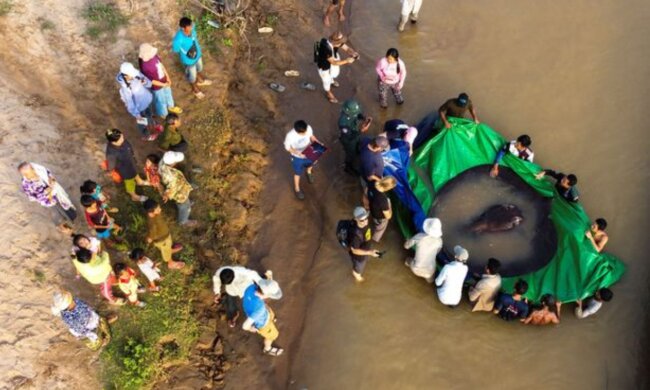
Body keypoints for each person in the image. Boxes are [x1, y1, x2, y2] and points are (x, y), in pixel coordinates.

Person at [18, 162, 76, 228]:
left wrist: (52, 180)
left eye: (32, 169)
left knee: (66, 207)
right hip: (48, 200)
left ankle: (72, 217)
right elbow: (42, 198)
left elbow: (48, 173)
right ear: (25, 175)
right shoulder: (28, 185)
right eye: (27, 174)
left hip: (56, 194)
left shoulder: (38, 169)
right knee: (58, 212)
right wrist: (50, 190)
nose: (34, 172)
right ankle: (65, 223)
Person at [116, 62, 159, 141]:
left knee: (149, 114)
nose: (134, 75)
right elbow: (130, 103)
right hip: (139, 108)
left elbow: (149, 83)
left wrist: (145, 82)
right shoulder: (126, 89)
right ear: (126, 76)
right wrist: (137, 114)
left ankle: (152, 122)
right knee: (142, 122)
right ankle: (146, 135)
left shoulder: (135, 73)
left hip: (147, 99)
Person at [138, 42, 182, 118]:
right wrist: (163, 85)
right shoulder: (145, 67)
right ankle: (163, 113)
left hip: (164, 80)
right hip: (156, 86)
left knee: (168, 94)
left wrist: (168, 78)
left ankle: (170, 106)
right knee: (160, 100)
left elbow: (161, 65)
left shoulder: (154, 56)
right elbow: (151, 81)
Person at [172, 17, 212, 99]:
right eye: (189, 27)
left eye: (191, 25)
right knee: (192, 76)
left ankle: (200, 80)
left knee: (200, 68)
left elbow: (195, 27)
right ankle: (195, 89)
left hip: (197, 55)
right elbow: (176, 49)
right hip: (188, 60)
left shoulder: (192, 28)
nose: (191, 27)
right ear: (183, 28)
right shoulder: (178, 39)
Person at [283, 120, 324, 200]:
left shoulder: (308, 128)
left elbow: (311, 136)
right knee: (297, 173)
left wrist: (317, 142)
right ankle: (297, 189)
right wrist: (298, 153)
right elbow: (287, 148)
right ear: (297, 131)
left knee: (313, 162)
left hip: (310, 151)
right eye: (303, 133)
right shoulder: (290, 136)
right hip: (297, 157)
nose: (305, 133)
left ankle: (308, 172)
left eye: (305, 131)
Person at [315, 31, 359, 103]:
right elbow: (334, 62)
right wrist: (347, 61)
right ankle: (328, 93)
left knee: (333, 74)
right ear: (335, 43)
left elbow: (347, 48)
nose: (342, 43)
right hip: (324, 66)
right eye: (340, 42)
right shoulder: (326, 48)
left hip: (332, 59)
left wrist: (353, 53)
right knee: (326, 80)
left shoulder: (335, 42)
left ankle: (332, 81)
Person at [242, 281, 284, 356]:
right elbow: (245, 326)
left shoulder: (251, 287)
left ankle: (272, 318)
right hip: (263, 323)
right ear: (264, 294)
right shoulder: (259, 309)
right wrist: (250, 328)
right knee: (273, 335)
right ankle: (267, 349)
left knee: (270, 313)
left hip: (257, 311)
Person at [105, 129, 147, 202]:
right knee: (130, 182)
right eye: (121, 138)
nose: (123, 138)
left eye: (122, 136)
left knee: (135, 171)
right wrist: (110, 171)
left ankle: (139, 181)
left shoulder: (123, 142)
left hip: (131, 163)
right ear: (113, 142)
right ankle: (134, 196)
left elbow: (130, 150)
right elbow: (111, 165)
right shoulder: (111, 153)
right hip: (125, 170)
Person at [144, 199, 185, 269]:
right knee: (166, 253)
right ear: (151, 213)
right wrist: (150, 238)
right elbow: (152, 234)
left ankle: (170, 250)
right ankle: (170, 263)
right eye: (157, 209)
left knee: (168, 246)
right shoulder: (153, 223)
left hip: (165, 236)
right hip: (162, 240)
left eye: (159, 207)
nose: (160, 209)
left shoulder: (156, 214)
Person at [159, 151, 197, 226]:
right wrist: (167, 194)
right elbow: (171, 188)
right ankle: (183, 221)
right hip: (179, 194)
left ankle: (187, 203)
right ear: (172, 163)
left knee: (186, 200)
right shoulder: (171, 177)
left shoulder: (163, 163)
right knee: (184, 207)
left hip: (181, 188)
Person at [403, 218, 443, 283]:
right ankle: (429, 281)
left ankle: (407, 263)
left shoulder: (419, 236)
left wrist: (407, 240)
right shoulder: (439, 241)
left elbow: (406, 247)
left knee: (408, 260)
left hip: (415, 269)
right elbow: (437, 252)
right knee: (430, 281)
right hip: (429, 272)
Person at [348, 207, 382, 282]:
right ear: (356, 219)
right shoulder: (355, 235)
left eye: (366, 218)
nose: (365, 221)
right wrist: (370, 252)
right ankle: (358, 277)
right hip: (359, 257)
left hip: (365, 248)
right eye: (361, 220)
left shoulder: (365, 223)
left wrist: (370, 252)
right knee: (358, 271)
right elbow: (354, 250)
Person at [338, 99, 372, 174]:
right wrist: (361, 131)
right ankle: (348, 167)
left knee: (357, 145)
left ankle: (356, 151)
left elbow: (358, 114)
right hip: (348, 139)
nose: (356, 113)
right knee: (350, 154)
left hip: (355, 133)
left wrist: (364, 118)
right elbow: (349, 136)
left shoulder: (353, 112)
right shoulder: (343, 123)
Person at [368, 176, 396, 242]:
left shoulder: (373, 183)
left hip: (372, 209)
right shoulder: (383, 200)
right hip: (379, 217)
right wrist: (390, 207)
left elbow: (366, 191)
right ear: (388, 187)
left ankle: (374, 224)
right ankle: (375, 239)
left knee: (375, 222)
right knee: (380, 228)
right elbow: (388, 216)